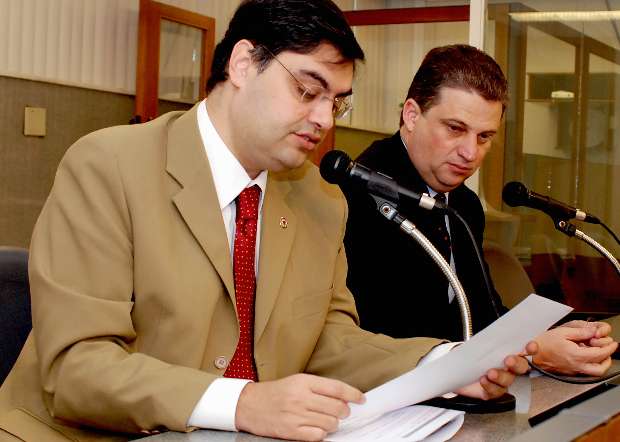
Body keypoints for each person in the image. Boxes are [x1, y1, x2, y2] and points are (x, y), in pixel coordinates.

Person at [0, 5, 534, 442]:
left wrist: (446, 360)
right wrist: (243, 403)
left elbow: (329, 340)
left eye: (336, 103)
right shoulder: (108, 165)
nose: (323, 119)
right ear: (242, 64)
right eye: (307, 90)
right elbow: (78, 367)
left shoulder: (321, 199)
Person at [343, 44, 617, 378]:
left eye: (485, 137)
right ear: (412, 115)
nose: (470, 153)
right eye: (455, 129)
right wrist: (531, 351)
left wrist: (557, 336)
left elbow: (482, 311)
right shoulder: (358, 193)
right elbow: (390, 329)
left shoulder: (464, 204)